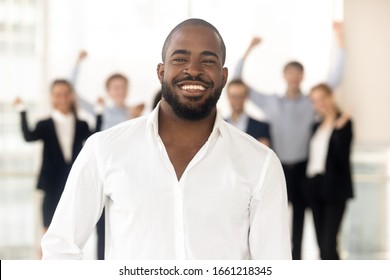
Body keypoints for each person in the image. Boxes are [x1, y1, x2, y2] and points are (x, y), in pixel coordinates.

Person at [41, 18, 291, 260]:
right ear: (161, 71)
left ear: (224, 76)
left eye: (208, 60)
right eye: (180, 58)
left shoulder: (261, 163)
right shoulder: (104, 149)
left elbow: (273, 263)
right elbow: (61, 249)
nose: (193, 70)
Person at [234, 22, 345, 259]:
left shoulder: (310, 103)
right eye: (290, 73)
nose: (294, 77)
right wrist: (248, 49)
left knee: (301, 224)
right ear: (284, 76)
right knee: (275, 220)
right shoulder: (271, 102)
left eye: (297, 73)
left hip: (304, 170)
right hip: (278, 168)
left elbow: (335, 78)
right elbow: (237, 81)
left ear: (302, 76)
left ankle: (299, 264)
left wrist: (340, 38)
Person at [14, 79, 102, 257]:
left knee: (73, 228)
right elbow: (28, 136)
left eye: (65, 94)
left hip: (74, 182)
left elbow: (96, 136)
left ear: (71, 96)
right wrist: (22, 111)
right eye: (57, 94)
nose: (61, 98)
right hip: (51, 184)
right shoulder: (44, 124)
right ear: (52, 97)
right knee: (47, 230)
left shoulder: (81, 124)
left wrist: (99, 112)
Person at [72, 51, 145, 259]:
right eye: (115, 88)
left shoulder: (136, 113)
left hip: (128, 173)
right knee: (102, 227)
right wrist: (78, 63)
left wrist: (135, 118)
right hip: (105, 172)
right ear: (108, 91)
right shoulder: (101, 111)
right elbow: (73, 92)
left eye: (122, 87)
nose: (119, 91)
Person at [305, 83, 353, 259]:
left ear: (331, 97)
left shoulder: (344, 123)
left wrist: (338, 130)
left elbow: (342, 157)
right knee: (321, 246)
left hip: (334, 188)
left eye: (322, 98)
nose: (320, 103)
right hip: (315, 187)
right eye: (315, 100)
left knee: (328, 244)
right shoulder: (316, 126)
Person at [225, 79, 271, 147]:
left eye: (241, 96)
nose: (237, 100)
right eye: (234, 96)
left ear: (246, 97)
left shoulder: (261, 128)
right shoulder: (216, 126)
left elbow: (263, 155)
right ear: (228, 97)